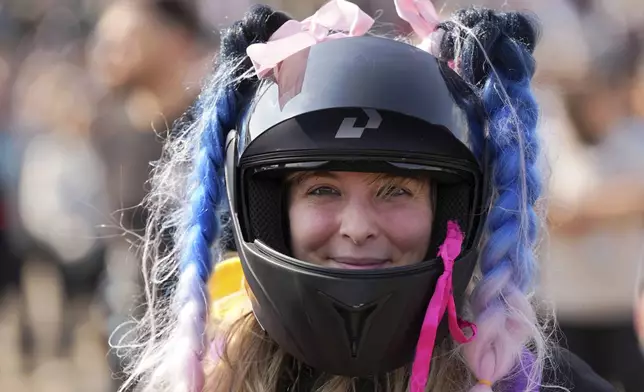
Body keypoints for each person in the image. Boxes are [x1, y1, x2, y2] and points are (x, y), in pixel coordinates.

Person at [117, 1, 615, 391]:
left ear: (454, 211)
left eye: (395, 190)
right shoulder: (209, 380)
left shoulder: (540, 386)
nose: (357, 226)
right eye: (323, 190)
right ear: (267, 210)